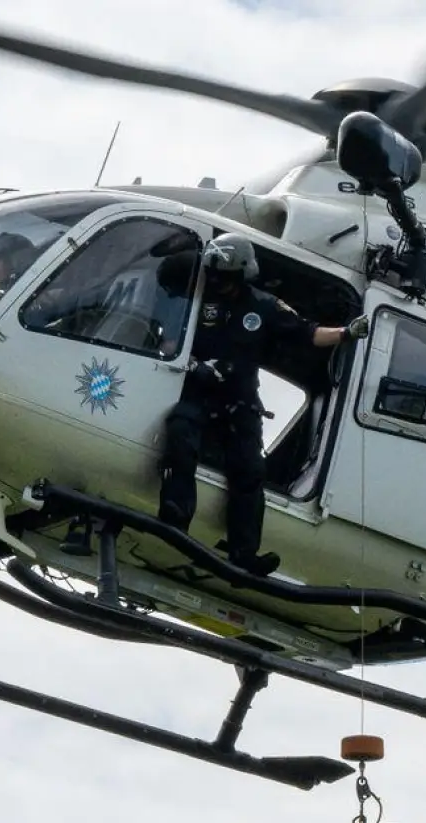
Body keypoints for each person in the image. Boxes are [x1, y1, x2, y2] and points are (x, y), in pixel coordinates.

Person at [157, 232, 369, 576]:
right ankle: (175, 518)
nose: (219, 284)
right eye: (215, 276)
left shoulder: (264, 306)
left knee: (250, 471)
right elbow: (166, 330)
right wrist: (195, 365)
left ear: (242, 275)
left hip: (240, 402)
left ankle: (243, 554)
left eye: (226, 279)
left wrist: (347, 333)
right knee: (181, 429)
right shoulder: (194, 297)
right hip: (200, 391)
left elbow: (309, 333)